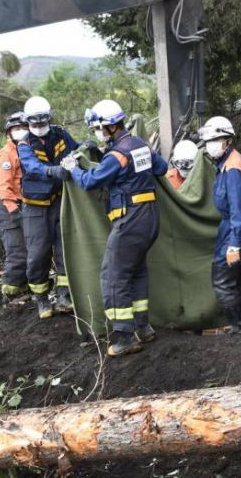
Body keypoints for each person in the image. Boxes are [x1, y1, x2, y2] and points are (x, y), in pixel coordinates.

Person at [66, 99, 168, 356]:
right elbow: (162, 167)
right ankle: (143, 328)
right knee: (136, 272)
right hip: (151, 217)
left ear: (110, 127)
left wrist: (74, 170)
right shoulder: (140, 145)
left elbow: (91, 181)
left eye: (98, 128)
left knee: (113, 276)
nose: (96, 133)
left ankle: (124, 336)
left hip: (131, 219)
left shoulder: (117, 155)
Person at [17, 95, 79, 319]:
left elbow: (76, 150)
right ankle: (41, 298)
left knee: (65, 249)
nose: (39, 127)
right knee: (37, 254)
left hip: (60, 201)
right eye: (35, 123)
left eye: (43, 122)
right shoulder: (24, 144)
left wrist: (89, 148)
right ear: (28, 122)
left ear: (49, 119)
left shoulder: (61, 134)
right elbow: (31, 167)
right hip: (35, 208)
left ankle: (64, 295)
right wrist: (51, 171)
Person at [199, 116, 241, 334]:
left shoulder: (232, 168)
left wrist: (234, 244)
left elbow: (238, 211)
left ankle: (239, 327)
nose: (210, 145)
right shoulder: (226, 163)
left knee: (222, 280)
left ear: (228, 140)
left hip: (237, 228)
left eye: (216, 139)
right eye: (208, 141)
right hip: (236, 227)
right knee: (237, 279)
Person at [0, 111, 29, 299]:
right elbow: (3, 188)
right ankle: (11, 294)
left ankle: (25, 287)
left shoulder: (28, 151)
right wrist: (15, 213)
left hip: (27, 206)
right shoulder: (6, 155)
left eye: (24, 128)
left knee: (33, 251)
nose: (21, 131)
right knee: (17, 253)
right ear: (9, 133)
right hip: (10, 208)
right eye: (17, 129)